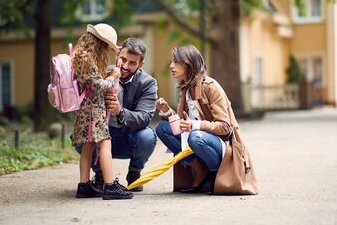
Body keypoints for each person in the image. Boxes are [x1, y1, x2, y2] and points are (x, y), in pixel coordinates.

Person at [155, 45, 258, 195]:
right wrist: (166, 111)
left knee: (195, 136)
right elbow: (181, 124)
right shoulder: (185, 89)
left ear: (189, 64)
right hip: (196, 139)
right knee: (162, 128)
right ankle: (198, 168)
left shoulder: (210, 87)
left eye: (176, 62)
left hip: (222, 143)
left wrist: (194, 125)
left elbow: (225, 127)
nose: (171, 66)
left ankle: (215, 174)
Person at [75, 37, 158, 192]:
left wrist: (120, 111)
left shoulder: (148, 83)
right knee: (79, 137)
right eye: (123, 59)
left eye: (132, 63)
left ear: (140, 65)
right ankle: (100, 174)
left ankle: (134, 172)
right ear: (117, 55)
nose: (125, 66)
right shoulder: (101, 72)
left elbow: (145, 118)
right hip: (100, 134)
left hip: (127, 137)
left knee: (147, 137)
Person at [71, 23, 133, 200]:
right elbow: (98, 86)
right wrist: (113, 76)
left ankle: (83, 185)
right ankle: (110, 185)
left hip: (85, 110)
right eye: (106, 46)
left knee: (88, 146)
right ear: (99, 43)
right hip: (93, 112)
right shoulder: (88, 60)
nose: (107, 50)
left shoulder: (80, 57)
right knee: (105, 143)